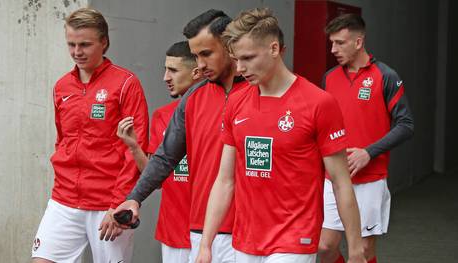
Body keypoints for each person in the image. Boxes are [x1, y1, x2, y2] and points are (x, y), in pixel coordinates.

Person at [195, 7, 366, 263]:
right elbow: (224, 180)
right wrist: (205, 245)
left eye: (248, 58)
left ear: (274, 49)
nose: (240, 68)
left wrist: (355, 249)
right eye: (237, 60)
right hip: (246, 239)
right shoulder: (236, 103)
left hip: (295, 238)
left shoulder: (319, 103)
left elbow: (341, 182)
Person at [114, 9, 248, 263]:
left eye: (206, 54)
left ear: (230, 46)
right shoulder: (194, 97)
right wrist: (135, 198)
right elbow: (165, 156)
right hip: (201, 231)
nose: (199, 65)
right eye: (196, 56)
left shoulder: (259, 92)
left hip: (248, 232)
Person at [31, 8, 149, 263]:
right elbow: (62, 140)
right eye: (71, 44)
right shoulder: (62, 86)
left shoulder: (126, 84)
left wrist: (119, 203)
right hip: (64, 199)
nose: (77, 52)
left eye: (85, 44)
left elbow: (136, 149)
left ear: (104, 42)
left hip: (108, 203)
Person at [318, 13, 414, 263]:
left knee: (362, 252)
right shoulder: (329, 78)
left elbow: (406, 125)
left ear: (358, 42)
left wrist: (368, 152)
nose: (333, 49)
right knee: (325, 247)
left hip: (370, 180)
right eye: (332, 43)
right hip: (334, 178)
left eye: (340, 43)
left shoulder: (386, 76)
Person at [116, 41, 202, 263]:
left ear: (196, 72)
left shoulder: (217, 112)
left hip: (211, 232)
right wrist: (135, 147)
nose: (165, 77)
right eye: (165, 69)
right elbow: (157, 179)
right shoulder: (162, 116)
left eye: (173, 70)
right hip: (172, 230)